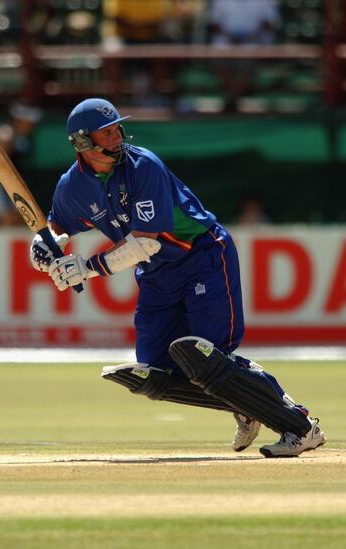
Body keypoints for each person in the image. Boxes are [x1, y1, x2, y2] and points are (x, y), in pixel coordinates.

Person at [29, 98, 326, 458]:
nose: (117, 137)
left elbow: (144, 244)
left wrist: (86, 268)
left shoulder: (143, 167)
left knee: (204, 356)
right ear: (82, 142)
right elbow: (57, 224)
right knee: (155, 373)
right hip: (157, 277)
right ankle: (248, 403)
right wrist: (45, 247)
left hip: (202, 255)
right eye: (106, 132)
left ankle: (300, 425)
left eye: (117, 128)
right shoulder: (72, 185)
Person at [207, 0, 280, 111]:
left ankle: (233, 99)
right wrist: (231, 37)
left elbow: (268, 23)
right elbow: (214, 23)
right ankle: (234, 97)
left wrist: (249, 37)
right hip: (226, 43)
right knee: (218, 60)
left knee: (249, 63)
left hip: (254, 43)